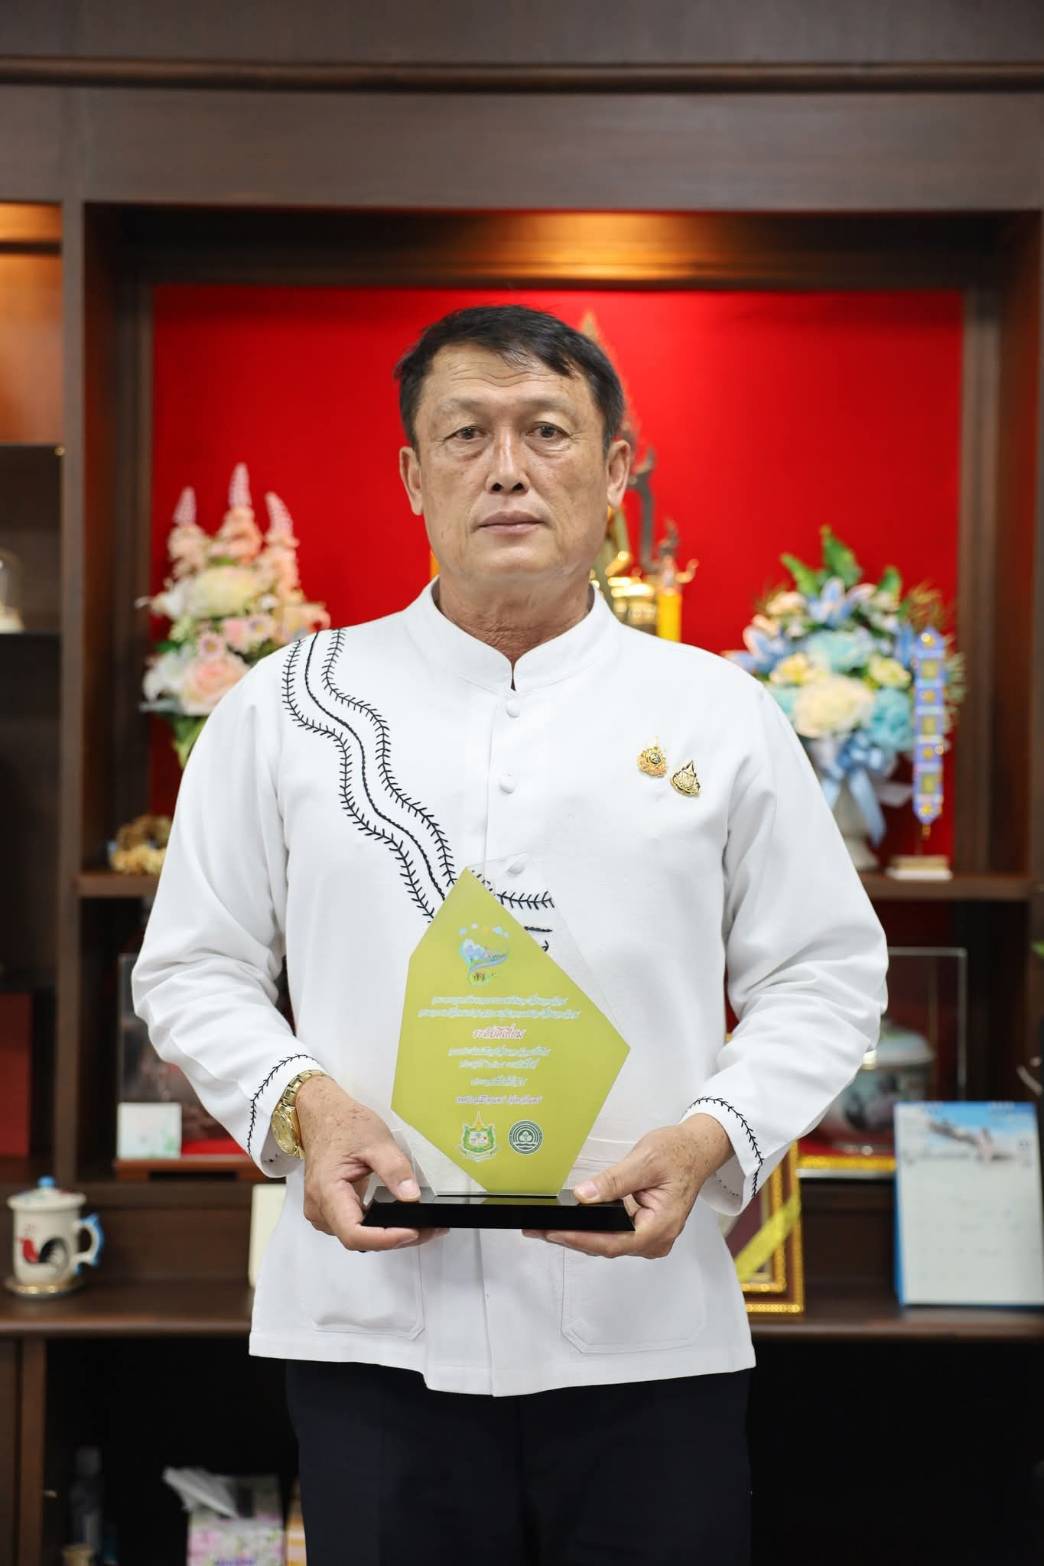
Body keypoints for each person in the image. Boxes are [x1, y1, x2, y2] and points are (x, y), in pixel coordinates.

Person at [132, 304, 889, 1564]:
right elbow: (193, 966)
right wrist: (308, 1107)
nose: (507, 469)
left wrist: (713, 1135)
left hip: (648, 1330)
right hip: (375, 1330)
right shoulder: (289, 709)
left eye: (547, 431)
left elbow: (825, 972)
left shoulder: (719, 714)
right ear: (411, 474)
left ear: (617, 466)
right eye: (465, 434)